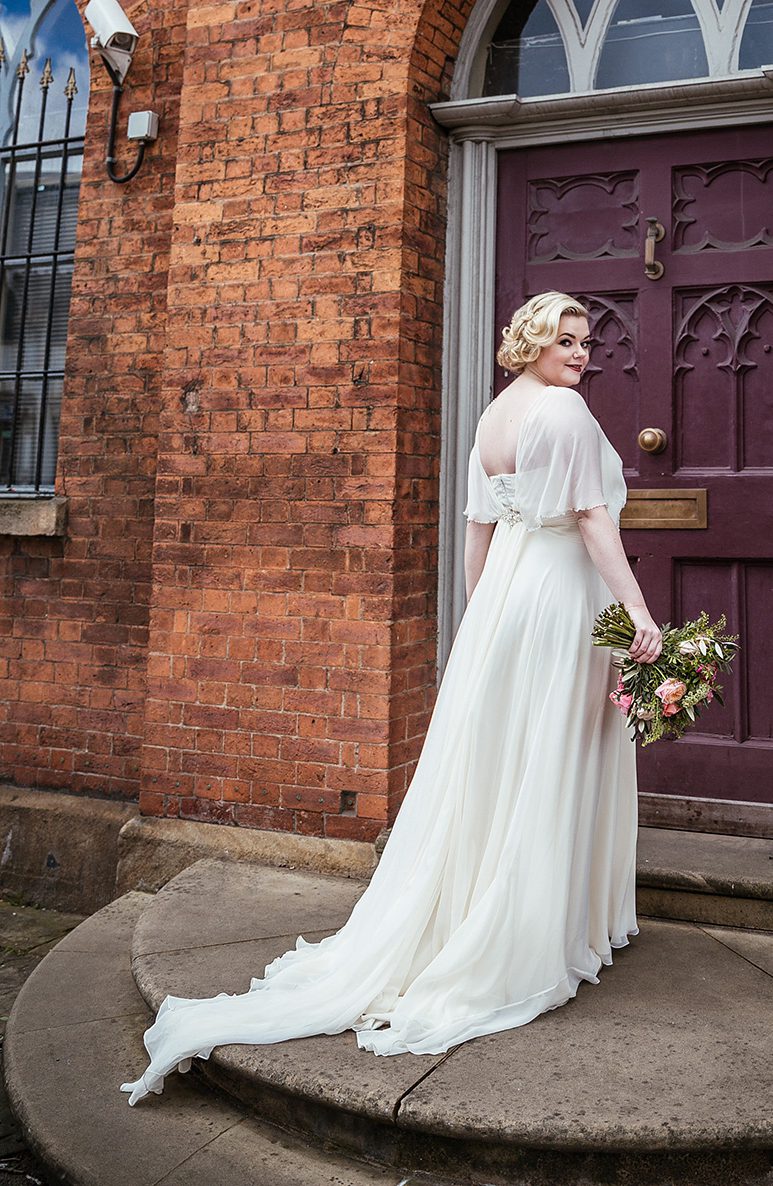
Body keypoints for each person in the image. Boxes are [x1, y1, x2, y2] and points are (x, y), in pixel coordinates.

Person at [122, 291, 662, 1104]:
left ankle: (508, 910)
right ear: (532, 341)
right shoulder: (566, 413)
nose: (581, 354)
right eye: (565, 339)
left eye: (586, 342)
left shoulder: (492, 418)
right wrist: (640, 617)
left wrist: (479, 625)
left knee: (509, 757)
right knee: (555, 750)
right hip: (559, 600)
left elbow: (477, 532)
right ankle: (534, 933)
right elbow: (593, 522)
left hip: (507, 608)